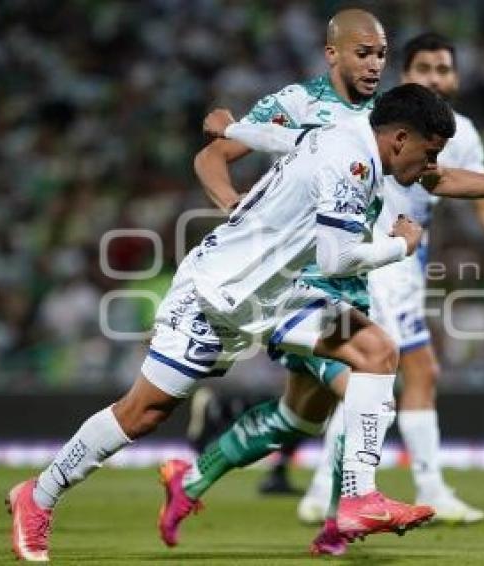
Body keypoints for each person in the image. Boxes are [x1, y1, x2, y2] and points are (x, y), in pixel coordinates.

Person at [6, 83, 459, 562]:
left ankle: (358, 498)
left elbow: (288, 139)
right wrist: (402, 245)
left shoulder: (348, 133)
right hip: (215, 293)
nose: (431, 168)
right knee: (143, 413)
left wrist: (234, 128)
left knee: (376, 351)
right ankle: (37, 496)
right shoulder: (355, 163)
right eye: (430, 154)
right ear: (402, 139)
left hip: (279, 295)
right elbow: (335, 258)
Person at [298, 31, 484, 530]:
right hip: (377, 257)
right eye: (425, 69)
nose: (436, 77)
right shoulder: (380, 124)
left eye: (444, 68)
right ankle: (369, 489)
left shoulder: (462, 133)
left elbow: (479, 197)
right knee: (396, 370)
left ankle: (335, 488)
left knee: (395, 374)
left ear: (455, 76)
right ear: (405, 75)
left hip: (408, 261)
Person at [187, 7, 389, 496]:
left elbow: (435, 175)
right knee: (366, 383)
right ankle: (348, 517)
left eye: (382, 54)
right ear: (332, 52)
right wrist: (237, 208)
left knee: (298, 419)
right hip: (302, 287)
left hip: (351, 278)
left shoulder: (386, 116)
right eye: (363, 53)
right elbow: (212, 155)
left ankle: (190, 479)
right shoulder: (298, 102)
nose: (375, 65)